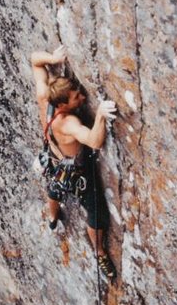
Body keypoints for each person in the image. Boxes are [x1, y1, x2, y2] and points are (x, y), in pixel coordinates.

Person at [31, 45, 117, 279]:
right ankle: (99, 251)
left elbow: (35, 60)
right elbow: (95, 141)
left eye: (78, 92)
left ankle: (53, 216)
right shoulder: (67, 124)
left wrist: (53, 58)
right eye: (76, 97)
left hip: (54, 158)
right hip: (77, 168)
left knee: (54, 188)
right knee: (97, 214)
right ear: (62, 105)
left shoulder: (44, 96)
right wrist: (99, 115)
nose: (82, 97)